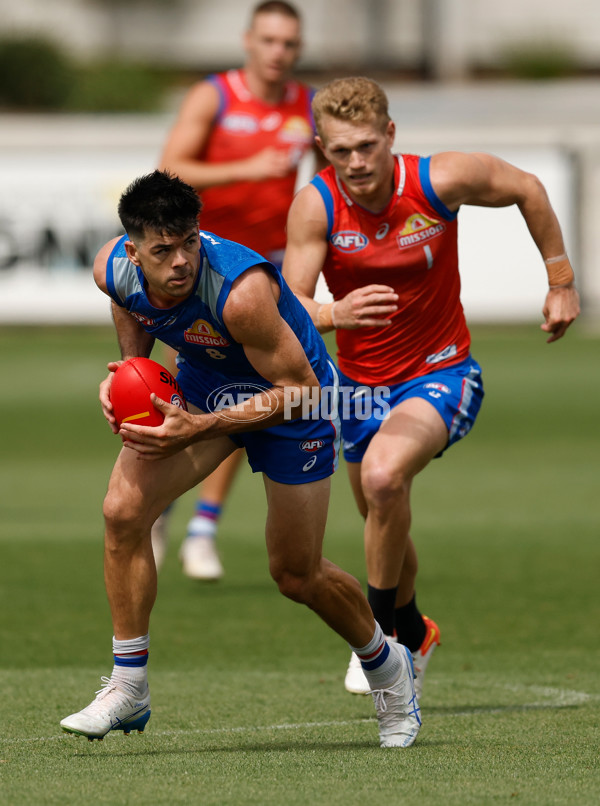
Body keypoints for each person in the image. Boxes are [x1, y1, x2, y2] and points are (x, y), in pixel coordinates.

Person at [59, 170, 422, 749]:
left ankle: (388, 666)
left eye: (188, 243)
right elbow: (129, 304)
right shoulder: (113, 270)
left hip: (295, 403)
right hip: (206, 386)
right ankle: (129, 687)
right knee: (123, 512)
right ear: (133, 252)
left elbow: (302, 389)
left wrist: (200, 427)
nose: (180, 260)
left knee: (296, 575)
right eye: (162, 250)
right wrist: (130, 372)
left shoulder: (241, 292)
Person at [282, 77, 580, 700]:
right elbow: (289, 307)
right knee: (381, 513)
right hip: (358, 390)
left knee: (383, 479)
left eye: (366, 146)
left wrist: (560, 281)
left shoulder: (438, 180)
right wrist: (336, 313)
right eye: (341, 151)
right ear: (322, 149)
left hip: (442, 372)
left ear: (390, 134)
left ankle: (379, 639)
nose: (356, 162)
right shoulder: (316, 206)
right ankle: (417, 632)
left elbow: (528, 187)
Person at [154, 0, 323, 580]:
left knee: (248, 391)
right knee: (180, 390)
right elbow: (169, 169)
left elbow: (330, 178)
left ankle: (204, 526)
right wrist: (248, 167)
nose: (279, 52)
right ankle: (162, 505)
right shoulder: (215, 96)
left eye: (289, 43)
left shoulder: (307, 106)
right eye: (269, 40)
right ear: (249, 40)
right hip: (200, 266)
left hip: (265, 272)